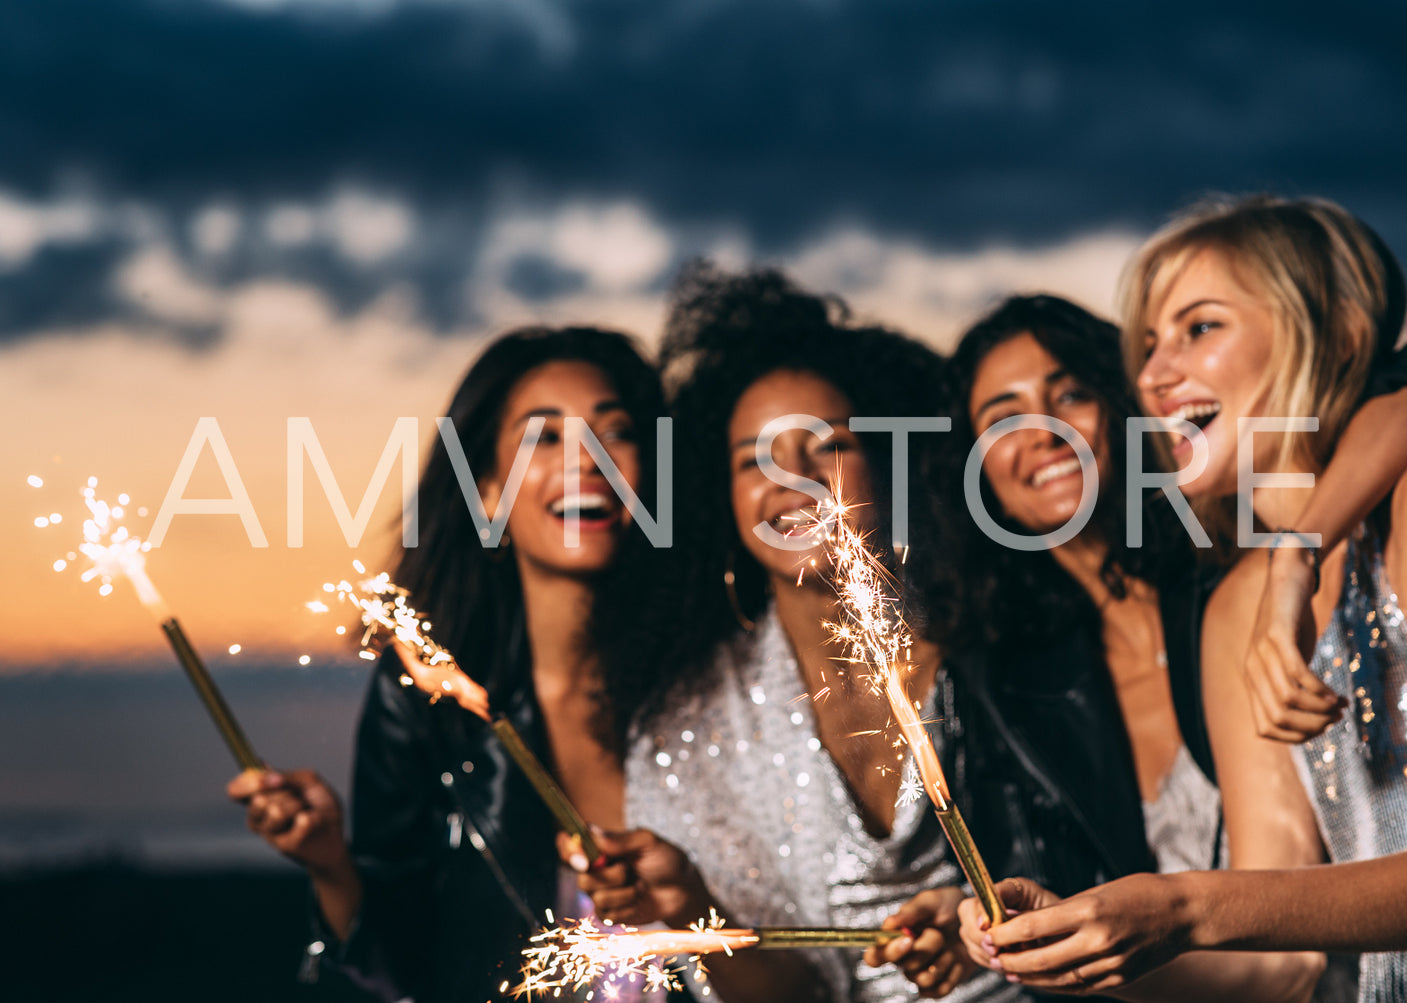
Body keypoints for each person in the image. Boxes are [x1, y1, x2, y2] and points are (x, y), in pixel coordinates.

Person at [961, 196, 1407, 1001]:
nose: (1151, 374)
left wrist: (1186, 903)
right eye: (1146, 346)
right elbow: (1278, 963)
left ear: (1333, 331)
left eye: (1199, 327)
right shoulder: (1231, 612)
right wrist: (1074, 946)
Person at [580, 264, 1091, 1003]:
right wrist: (693, 908)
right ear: (720, 501)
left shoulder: (1005, 651)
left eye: (829, 444)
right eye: (753, 457)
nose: (794, 478)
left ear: (887, 465)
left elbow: (1100, 885)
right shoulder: (683, 730)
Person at [227, 326, 670, 1001]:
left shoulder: (710, 683)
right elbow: (402, 961)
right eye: (543, 437)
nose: (587, 460)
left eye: (616, 432)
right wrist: (330, 863)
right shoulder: (426, 697)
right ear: (487, 491)